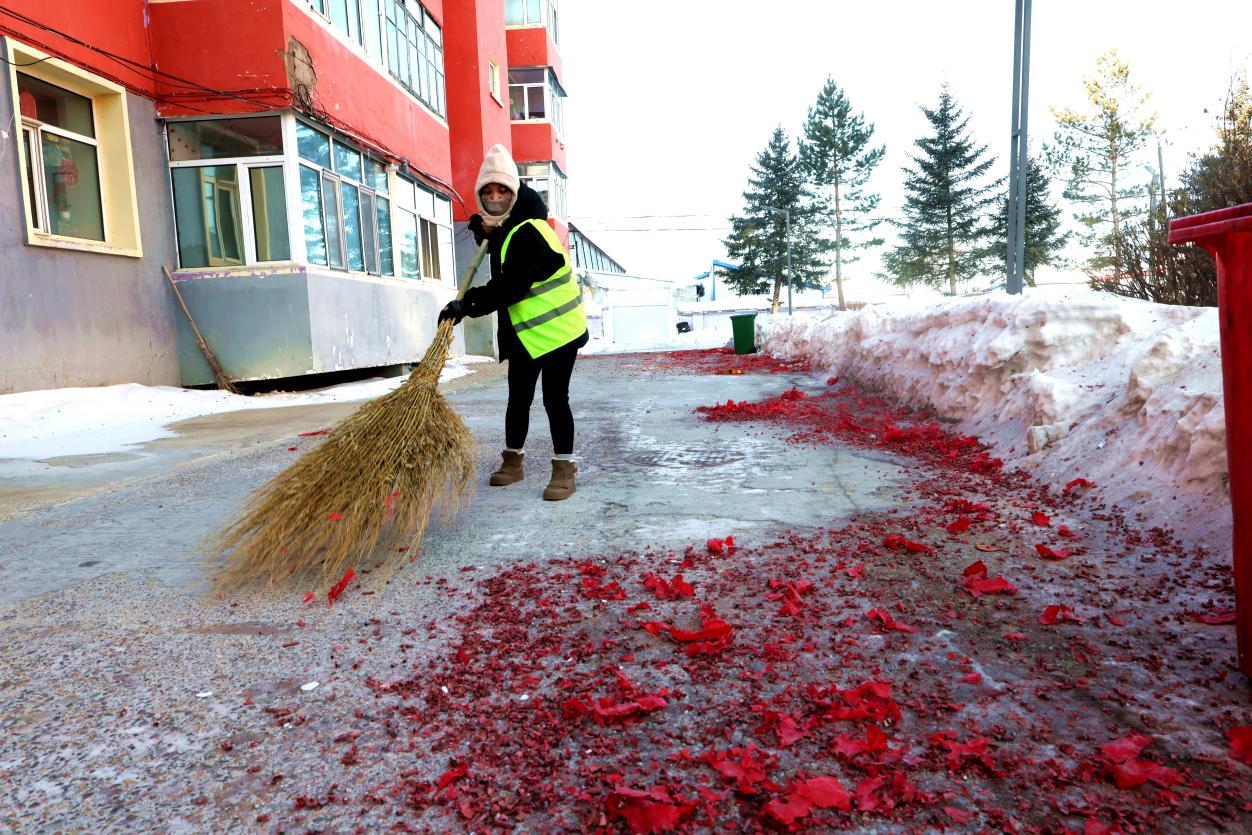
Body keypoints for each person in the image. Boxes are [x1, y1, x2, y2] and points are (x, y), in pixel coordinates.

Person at [438, 144, 588, 501]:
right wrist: (486, 234)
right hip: (525, 333)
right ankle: (513, 462)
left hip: (559, 331)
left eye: (502, 191)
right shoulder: (507, 227)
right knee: (518, 398)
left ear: (514, 193)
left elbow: (511, 286)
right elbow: (505, 255)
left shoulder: (529, 231)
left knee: (555, 399)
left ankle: (564, 468)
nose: (495, 199)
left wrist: (466, 305)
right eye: (487, 192)